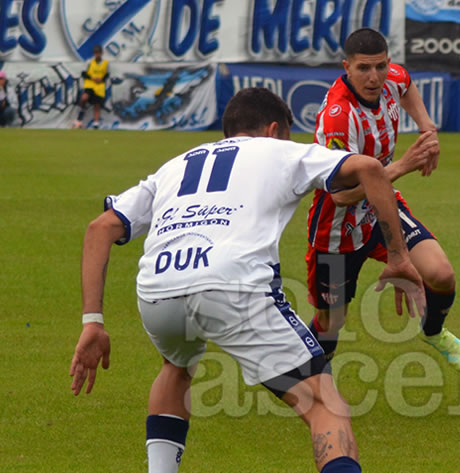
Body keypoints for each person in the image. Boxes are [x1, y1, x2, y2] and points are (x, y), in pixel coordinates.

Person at [69, 87, 427, 473]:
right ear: (274, 130)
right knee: (325, 406)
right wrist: (398, 256)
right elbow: (370, 170)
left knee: (176, 367)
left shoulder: (176, 165)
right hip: (233, 284)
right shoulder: (279, 150)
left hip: (158, 290)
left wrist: (93, 322)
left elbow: (101, 227)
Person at [306, 28, 460, 373]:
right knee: (331, 321)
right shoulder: (339, 119)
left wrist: (428, 129)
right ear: (346, 67)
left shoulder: (391, 77)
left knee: (441, 274)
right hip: (338, 229)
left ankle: (433, 332)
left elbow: (407, 83)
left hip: (382, 206)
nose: (375, 78)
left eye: (380, 67)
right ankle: (311, 380)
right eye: (364, 69)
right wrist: (401, 166)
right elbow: (340, 197)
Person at [73, 44, 109, 129]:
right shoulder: (90, 62)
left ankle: (95, 124)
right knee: (84, 98)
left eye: (99, 53)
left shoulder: (105, 63)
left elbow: (107, 75)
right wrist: (92, 78)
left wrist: (101, 79)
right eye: (96, 53)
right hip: (90, 86)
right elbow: (83, 73)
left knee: (97, 105)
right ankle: (81, 113)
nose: (97, 54)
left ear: (101, 53)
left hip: (99, 87)